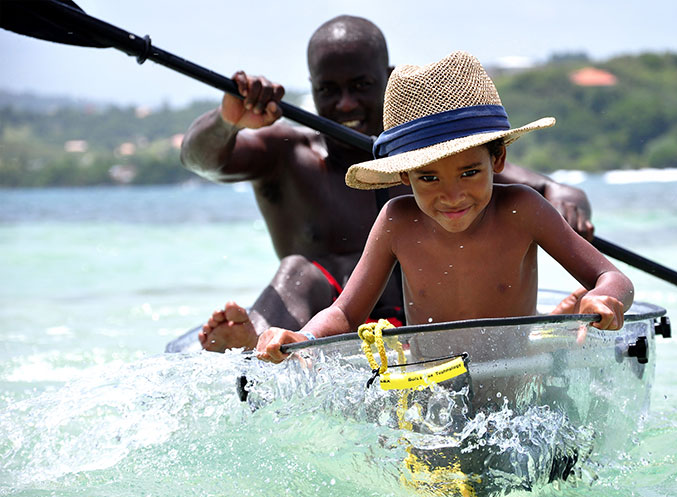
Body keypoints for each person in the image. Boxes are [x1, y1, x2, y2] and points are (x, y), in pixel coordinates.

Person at [173, 15, 595, 353]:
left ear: (387, 78)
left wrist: (567, 203)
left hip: (423, 323)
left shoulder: (448, 161)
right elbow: (200, 159)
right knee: (297, 270)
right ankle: (257, 340)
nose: (346, 104)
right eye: (329, 89)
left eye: (360, 86)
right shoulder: (286, 152)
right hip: (329, 317)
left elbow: (544, 189)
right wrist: (227, 120)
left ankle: (552, 316)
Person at [255, 51, 633, 363]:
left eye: (469, 172)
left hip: (514, 384)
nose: (452, 196)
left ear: (497, 160)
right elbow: (344, 314)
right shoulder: (397, 221)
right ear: (404, 177)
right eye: (429, 178)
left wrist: (605, 298)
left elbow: (613, 278)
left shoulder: (523, 209)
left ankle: (559, 320)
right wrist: (303, 336)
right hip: (431, 394)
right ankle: (556, 319)